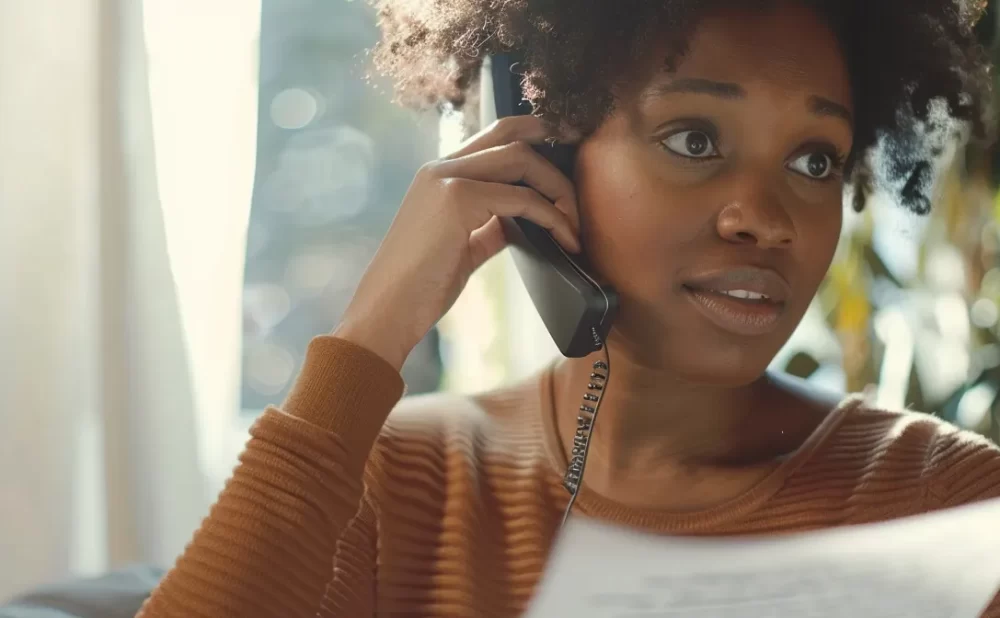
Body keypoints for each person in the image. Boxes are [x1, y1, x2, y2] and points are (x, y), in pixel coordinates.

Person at [139, 1, 1000, 616]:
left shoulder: (952, 504)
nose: (764, 219)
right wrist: (372, 335)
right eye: (694, 140)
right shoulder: (397, 483)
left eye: (814, 160)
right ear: (538, 154)